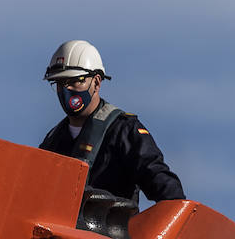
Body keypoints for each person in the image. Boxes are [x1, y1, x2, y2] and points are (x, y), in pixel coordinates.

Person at [38, 40, 185, 204]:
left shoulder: (124, 130)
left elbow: (167, 191)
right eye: (59, 83)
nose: (66, 90)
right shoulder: (52, 142)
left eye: (74, 81)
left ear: (96, 82)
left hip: (113, 228)